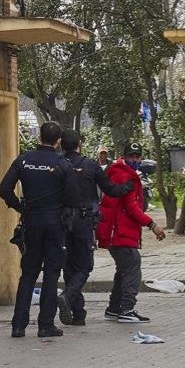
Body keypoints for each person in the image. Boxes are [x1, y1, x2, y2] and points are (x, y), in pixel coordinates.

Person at [0, 121, 74, 338]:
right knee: (51, 273)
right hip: (54, 224)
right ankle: (45, 324)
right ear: (58, 140)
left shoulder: (24, 160)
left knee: (29, 273)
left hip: (31, 221)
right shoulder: (62, 164)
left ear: (39, 136)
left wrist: (19, 206)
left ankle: (18, 325)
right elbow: (73, 198)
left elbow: (4, 189)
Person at [58, 130, 133, 326]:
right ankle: (68, 296)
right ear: (79, 145)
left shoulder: (56, 165)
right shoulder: (90, 165)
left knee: (69, 267)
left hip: (62, 222)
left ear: (60, 145)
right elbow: (111, 190)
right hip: (84, 221)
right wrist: (128, 185)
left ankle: (78, 314)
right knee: (84, 266)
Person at [97, 142, 165, 323]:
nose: (134, 160)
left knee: (123, 270)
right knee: (132, 267)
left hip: (117, 231)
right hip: (119, 231)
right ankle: (127, 309)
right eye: (131, 156)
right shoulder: (124, 176)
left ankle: (114, 308)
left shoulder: (123, 173)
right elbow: (132, 208)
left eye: (137, 156)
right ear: (124, 156)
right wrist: (152, 225)